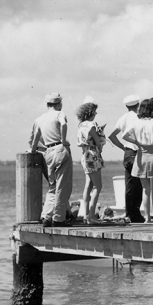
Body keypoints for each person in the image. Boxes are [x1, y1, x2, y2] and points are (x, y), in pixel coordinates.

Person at [29, 92, 73, 226]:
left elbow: (36, 135)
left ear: (47, 104)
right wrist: (64, 140)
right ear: (59, 103)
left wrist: (33, 149)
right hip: (60, 149)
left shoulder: (40, 119)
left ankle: (46, 216)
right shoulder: (60, 114)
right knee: (62, 186)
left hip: (48, 151)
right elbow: (63, 124)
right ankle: (58, 219)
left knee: (53, 186)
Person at [107, 95, 145, 223]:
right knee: (138, 185)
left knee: (129, 185)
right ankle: (135, 214)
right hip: (137, 151)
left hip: (128, 153)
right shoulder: (138, 117)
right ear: (137, 105)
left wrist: (123, 148)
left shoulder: (122, 118)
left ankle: (129, 213)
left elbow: (112, 136)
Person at [76, 100, 105, 223]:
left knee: (88, 185)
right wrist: (101, 147)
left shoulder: (81, 125)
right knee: (98, 186)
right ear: (91, 113)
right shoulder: (91, 125)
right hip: (93, 154)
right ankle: (92, 216)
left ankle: (86, 214)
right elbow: (98, 142)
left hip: (84, 155)